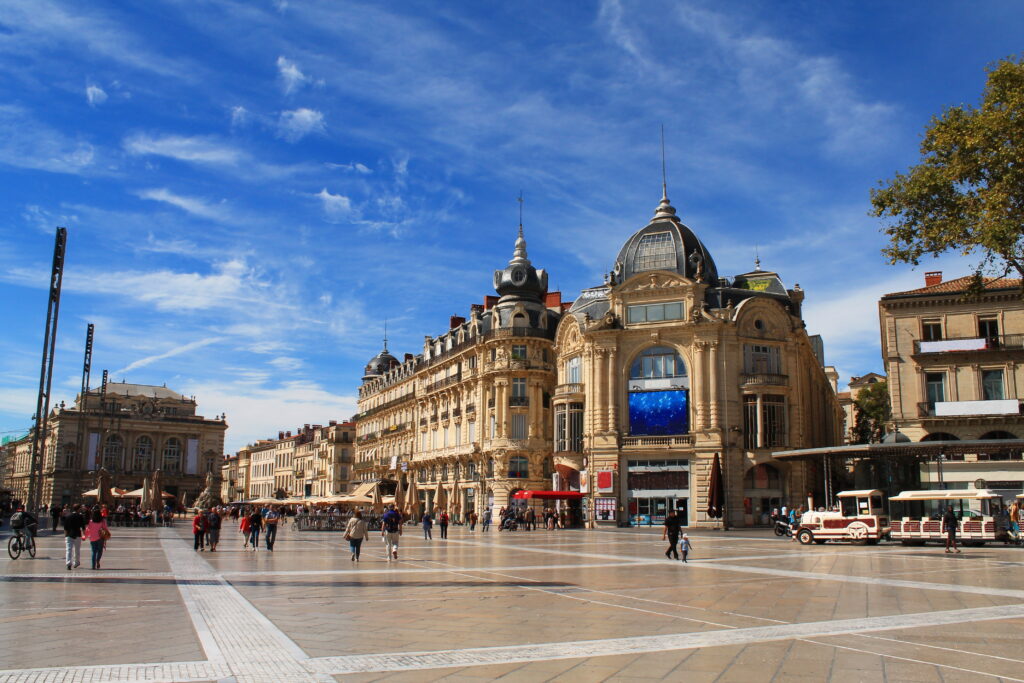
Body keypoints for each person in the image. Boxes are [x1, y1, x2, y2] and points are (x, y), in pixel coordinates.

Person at [62, 503, 86, 570]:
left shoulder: (68, 516)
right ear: (78, 509)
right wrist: (84, 534)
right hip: (77, 535)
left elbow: (65, 527)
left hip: (69, 535)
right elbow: (83, 527)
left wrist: (65, 535)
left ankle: (68, 563)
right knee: (77, 550)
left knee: (68, 550)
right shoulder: (80, 516)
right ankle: (76, 562)